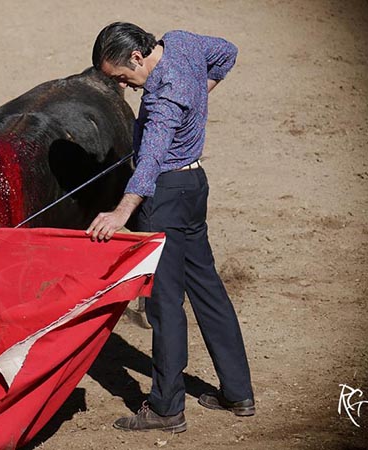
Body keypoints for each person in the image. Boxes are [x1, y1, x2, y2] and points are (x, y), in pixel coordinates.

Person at [86, 22, 255, 432]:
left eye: (123, 77)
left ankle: (165, 408)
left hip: (164, 197)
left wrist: (121, 213)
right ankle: (238, 392)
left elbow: (148, 166)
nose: (125, 86)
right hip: (194, 186)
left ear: (138, 57)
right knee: (207, 288)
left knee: (164, 304)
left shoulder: (163, 100)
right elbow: (228, 51)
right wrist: (198, 97)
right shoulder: (181, 42)